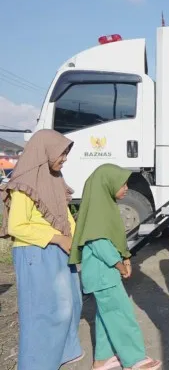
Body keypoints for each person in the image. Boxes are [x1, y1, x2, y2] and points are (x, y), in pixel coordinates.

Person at [0, 130, 83, 369]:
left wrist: (75, 238)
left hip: (57, 250)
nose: (65, 158)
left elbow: (65, 215)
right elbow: (17, 226)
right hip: (35, 252)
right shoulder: (25, 184)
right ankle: (35, 364)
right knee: (43, 311)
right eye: (62, 153)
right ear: (44, 151)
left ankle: (61, 353)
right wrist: (57, 238)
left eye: (66, 153)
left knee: (69, 305)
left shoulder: (53, 179)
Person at [69, 164, 161, 370]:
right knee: (121, 314)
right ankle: (135, 359)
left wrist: (124, 260)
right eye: (123, 183)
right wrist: (120, 265)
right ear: (107, 183)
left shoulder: (102, 206)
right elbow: (101, 244)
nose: (127, 187)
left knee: (106, 315)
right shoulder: (98, 212)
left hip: (102, 275)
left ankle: (102, 358)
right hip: (104, 275)